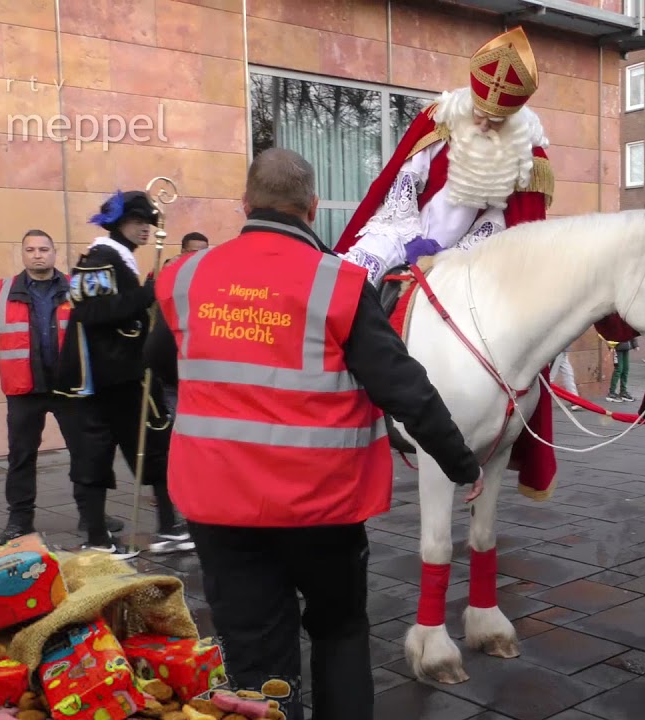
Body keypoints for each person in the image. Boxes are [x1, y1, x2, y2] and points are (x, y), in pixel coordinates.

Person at [149, 148, 483, 720]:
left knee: (254, 655)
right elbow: (404, 387)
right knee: (339, 631)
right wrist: (462, 464)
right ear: (313, 206)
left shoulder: (185, 278)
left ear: (245, 204)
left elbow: (158, 364)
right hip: (321, 507)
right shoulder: (340, 284)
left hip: (219, 504)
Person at [335, 26, 553, 286]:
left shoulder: (523, 155)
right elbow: (405, 180)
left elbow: (498, 219)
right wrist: (412, 239)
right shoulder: (441, 120)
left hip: (458, 254)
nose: (483, 127)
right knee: (353, 277)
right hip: (398, 231)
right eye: (479, 116)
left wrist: (453, 254)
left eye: (494, 122)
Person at [55, 190, 189, 557]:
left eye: (149, 223)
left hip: (128, 378)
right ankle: (97, 537)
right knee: (94, 457)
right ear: (118, 223)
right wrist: (145, 295)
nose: (146, 230)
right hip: (100, 383)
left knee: (155, 449)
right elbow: (93, 313)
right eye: (138, 222)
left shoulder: (120, 259)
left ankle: (169, 526)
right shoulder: (99, 259)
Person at [0, 230, 83, 546]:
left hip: (68, 388)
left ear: (54, 252)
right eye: (30, 249)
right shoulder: (0, 291)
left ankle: (91, 514)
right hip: (24, 388)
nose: (37, 255)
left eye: (43, 249)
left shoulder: (76, 287)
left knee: (85, 452)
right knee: (21, 456)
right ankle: (19, 521)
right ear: (22, 254)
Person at [606, 338, 634, 403]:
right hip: (617, 347)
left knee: (625, 369)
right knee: (618, 369)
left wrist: (635, 344)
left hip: (626, 347)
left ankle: (623, 391)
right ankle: (612, 392)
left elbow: (631, 333)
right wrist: (611, 345)